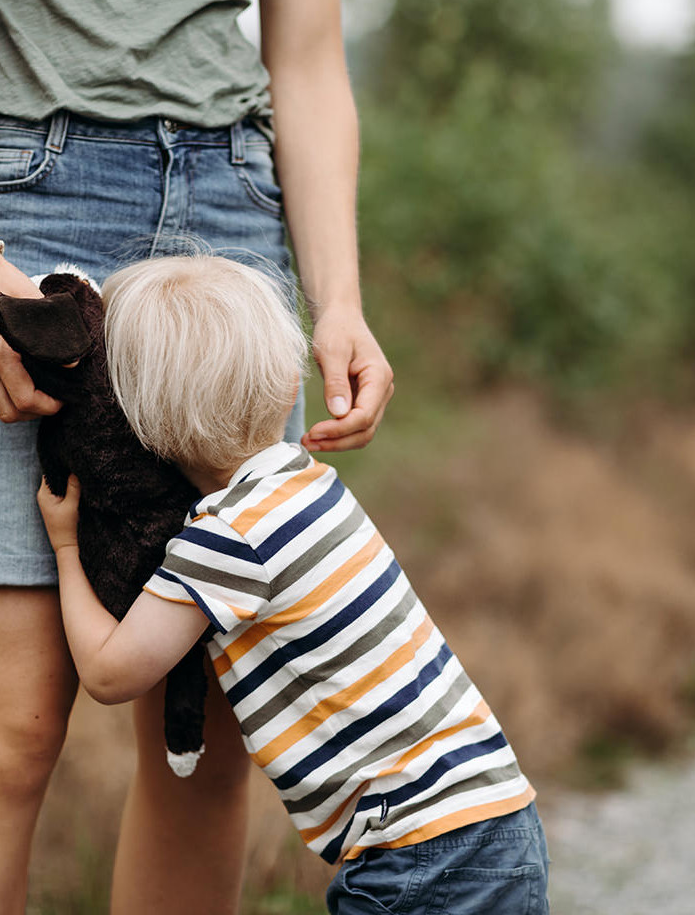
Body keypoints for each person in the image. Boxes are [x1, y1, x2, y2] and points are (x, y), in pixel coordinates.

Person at [0, 0, 394, 912]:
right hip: (28, 201)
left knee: (207, 738)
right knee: (12, 725)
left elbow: (305, 54)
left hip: (230, 211)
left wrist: (338, 299)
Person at [35, 255, 549, 915]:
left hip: (420, 855)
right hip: (496, 823)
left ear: (144, 424)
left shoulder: (225, 539)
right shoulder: (306, 485)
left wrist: (66, 545)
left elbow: (110, 675)